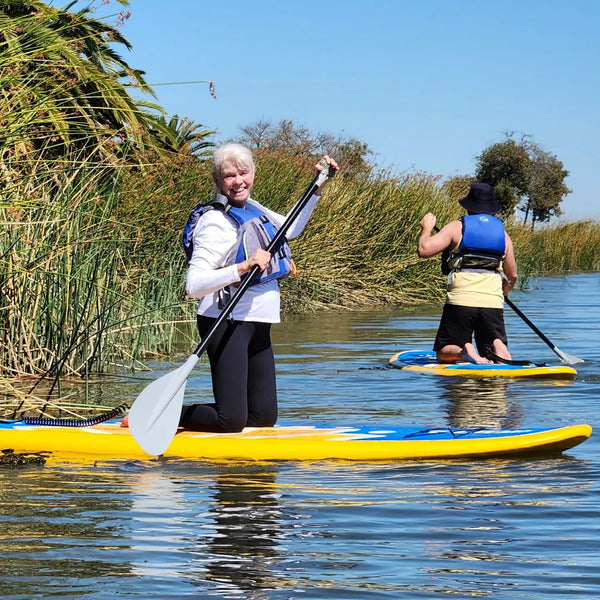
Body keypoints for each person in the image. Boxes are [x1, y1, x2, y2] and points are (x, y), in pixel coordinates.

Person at [180, 143, 338, 432]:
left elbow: (289, 230)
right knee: (231, 421)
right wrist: (242, 267)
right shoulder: (213, 221)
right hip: (226, 322)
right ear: (217, 179)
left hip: (260, 322)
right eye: (229, 176)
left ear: (253, 173)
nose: (238, 181)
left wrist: (316, 187)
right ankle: (165, 415)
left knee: (263, 418)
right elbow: (193, 286)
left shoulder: (252, 208)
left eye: (244, 172)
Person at [417, 182, 518, 365]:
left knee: (444, 352)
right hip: (492, 302)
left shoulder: (457, 227)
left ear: (469, 206)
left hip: (461, 300)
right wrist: (504, 291)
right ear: (492, 209)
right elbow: (513, 276)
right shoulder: (503, 235)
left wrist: (427, 228)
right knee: (490, 353)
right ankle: (499, 346)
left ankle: (464, 351)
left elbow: (424, 250)